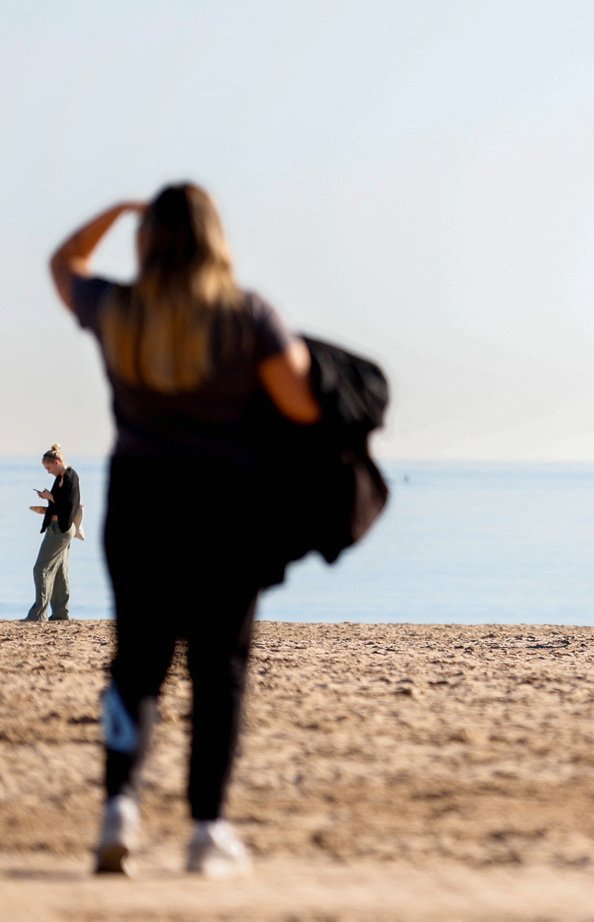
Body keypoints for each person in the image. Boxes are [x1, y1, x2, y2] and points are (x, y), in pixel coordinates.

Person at [49, 184, 320, 877]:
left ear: (149, 242)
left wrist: (115, 210)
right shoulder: (246, 315)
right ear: (215, 239)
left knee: (137, 663)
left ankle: (120, 807)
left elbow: (62, 263)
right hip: (227, 507)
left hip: (139, 501)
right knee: (217, 668)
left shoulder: (120, 310)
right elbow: (301, 399)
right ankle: (206, 831)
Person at [23, 443, 81, 622]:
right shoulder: (60, 478)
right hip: (57, 527)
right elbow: (59, 505)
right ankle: (61, 614)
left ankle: (38, 614)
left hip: (61, 530)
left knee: (40, 568)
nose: (48, 471)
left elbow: (69, 504)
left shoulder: (71, 476)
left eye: (49, 467)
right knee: (59, 571)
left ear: (57, 462)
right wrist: (45, 505)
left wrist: (50, 497)